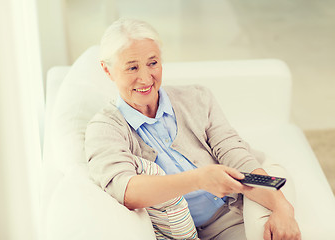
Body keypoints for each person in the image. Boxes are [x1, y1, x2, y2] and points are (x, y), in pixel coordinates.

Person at [85, 18, 301, 240]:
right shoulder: (104, 129)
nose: (145, 77)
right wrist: (198, 179)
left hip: (231, 214)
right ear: (107, 70)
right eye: (132, 67)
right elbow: (126, 190)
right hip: (173, 232)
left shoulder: (197, 98)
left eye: (153, 63)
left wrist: (283, 208)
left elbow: (235, 155)